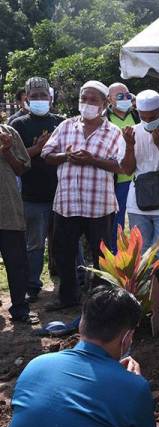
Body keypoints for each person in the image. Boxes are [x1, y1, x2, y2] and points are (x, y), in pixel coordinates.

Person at [9, 285, 159, 427]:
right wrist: (131, 384)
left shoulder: (37, 365)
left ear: (82, 323)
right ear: (127, 338)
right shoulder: (134, 387)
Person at [41, 80, 124, 311]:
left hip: (99, 204)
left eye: (93, 100)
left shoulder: (114, 132)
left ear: (105, 104)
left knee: (101, 254)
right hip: (67, 203)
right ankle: (68, 296)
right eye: (84, 99)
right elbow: (47, 154)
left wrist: (92, 160)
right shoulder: (66, 126)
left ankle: (100, 299)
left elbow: (122, 166)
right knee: (64, 252)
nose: (87, 103)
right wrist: (65, 156)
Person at [10, 77, 64, 301]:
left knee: (63, 242)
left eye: (43, 96)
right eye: (35, 97)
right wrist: (39, 147)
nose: (40, 100)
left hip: (61, 195)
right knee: (34, 245)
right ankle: (32, 286)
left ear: (50, 98)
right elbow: (15, 160)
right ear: (27, 99)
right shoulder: (18, 125)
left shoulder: (62, 122)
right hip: (32, 197)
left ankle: (68, 282)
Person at [119, 90, 159, 259]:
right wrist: (130, 147)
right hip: (137, 205)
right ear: (138, 113)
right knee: (140, 254)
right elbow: (127, 170)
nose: (148, 121)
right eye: (144, 117)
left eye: (152, 117)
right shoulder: (129, 133)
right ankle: (145, 287)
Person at [0, 124, 36, 323]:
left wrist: (7, 151)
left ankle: (20, 308)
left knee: (17, 263)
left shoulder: (9, 133)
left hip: (9, 211)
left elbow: (21, 168)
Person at [107, 82, 140, 252]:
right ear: (109, 99)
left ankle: (139, 253)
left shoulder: (137, 115)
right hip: (116, 179)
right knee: (116, 220)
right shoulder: (104, 118)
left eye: (127, 95)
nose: (125, 99)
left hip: (138, 177)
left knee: (139, 218)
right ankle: (115, 252)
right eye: (120, 96)